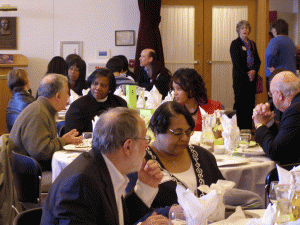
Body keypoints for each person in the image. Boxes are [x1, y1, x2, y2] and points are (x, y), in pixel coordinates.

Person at [41, 107, 170, 225]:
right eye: (144, 139)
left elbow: (116, 219)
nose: (147, 145)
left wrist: (145, 187)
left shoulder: (103, 167)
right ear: (128, 146)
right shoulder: (81, 183)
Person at [127, 101, 262, 209]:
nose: (185, 138)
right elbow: (134, 212)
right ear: (157, 130)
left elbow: (222, 192)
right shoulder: (141, 163)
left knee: (256, 201)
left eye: (188, 132)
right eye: (178, 133)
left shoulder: (202, 156)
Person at [9, 74, 82, 171]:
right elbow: (41, 152)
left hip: (28, 170)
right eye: (67, 93)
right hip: (31, 175)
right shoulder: (38, 113)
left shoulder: (41, 108)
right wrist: (63, 141)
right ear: (58, 96)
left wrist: (64, 139)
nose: (68, 96)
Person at [253, 71, 300, 165]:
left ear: (279, 94)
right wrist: (269, 123)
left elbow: (276, 152)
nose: (271, 98)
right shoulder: (295, 105)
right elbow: (284, 143)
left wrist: (259, 125)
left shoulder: (294, 110)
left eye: (271, 94)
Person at [65, 68, 127, 135]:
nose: (98, 88)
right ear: (90, 84)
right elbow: (72, 135)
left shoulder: (119, 103)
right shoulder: (78, 106)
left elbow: (125, 130)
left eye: (103, 85)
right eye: (95, 84)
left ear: (110, 88)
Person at [230, 20, 261, 130]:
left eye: (247, 28)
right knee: (240, 104)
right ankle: (237, 128)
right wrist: (247, 74)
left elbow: (258, 61)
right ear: (238, 30)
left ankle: (248, 129)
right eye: (242, 28)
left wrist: (254, 71)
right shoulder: (235, 44)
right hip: (240, 79)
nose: (245, 30)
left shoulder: (252, 44)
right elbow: (236, 63)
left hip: (252, 80)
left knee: (250, 104)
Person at [265, 19, 296, 95]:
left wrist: (269, 66)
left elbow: (270, 54)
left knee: (275, 100)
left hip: (278, 76)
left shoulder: (275, 40)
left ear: (275, 30)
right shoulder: (291, 41)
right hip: (291, 76)